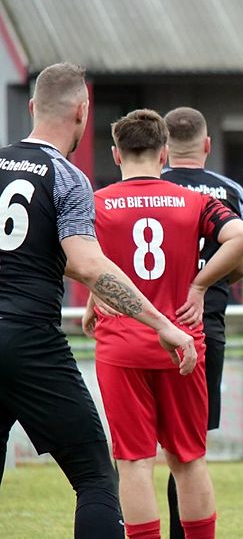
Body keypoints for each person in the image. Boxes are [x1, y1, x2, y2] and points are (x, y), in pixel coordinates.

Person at [0, 63, 197, 539]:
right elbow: (88, 263)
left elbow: (32, 250)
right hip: (28, 340)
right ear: (82, 112)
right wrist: (162, 323)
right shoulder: (66, 177)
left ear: (33, 107)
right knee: (94, 477)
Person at [83, 109, 243, 539]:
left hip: (122, 345)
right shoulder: (194, 201)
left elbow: (80, 259)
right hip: (182, 343)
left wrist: (94, 295)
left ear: (116, 155)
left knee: (134, 462)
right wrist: (200, 284)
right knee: (189, 459)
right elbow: (242, 239)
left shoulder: (97, 202)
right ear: (163, 154)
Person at [161, 106, 243, 539]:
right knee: (188, 449)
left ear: (163, 148)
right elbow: (242, 262)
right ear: (207, 145)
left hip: (146, 325)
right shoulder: (228, 191)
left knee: (137, 452)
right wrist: (206, 282)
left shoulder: (151, 187)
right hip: (203, 326)